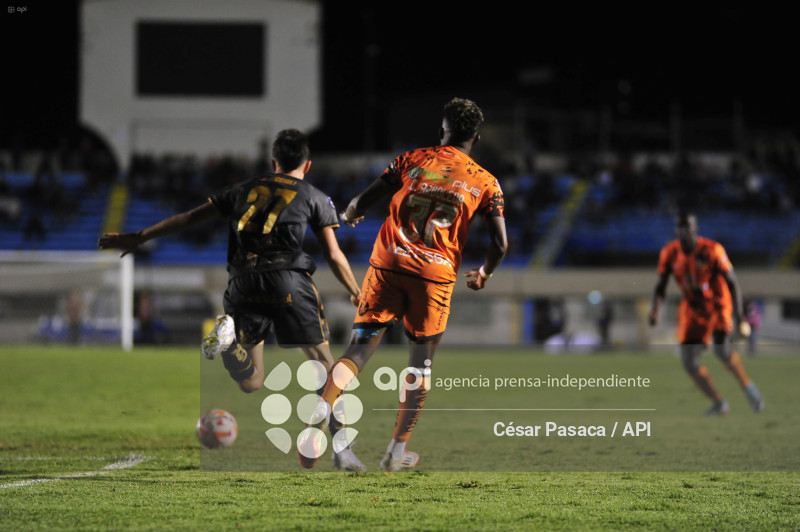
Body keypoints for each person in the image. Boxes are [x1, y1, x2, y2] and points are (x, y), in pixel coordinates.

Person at [98, 129, 366, 471]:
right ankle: (342, 451)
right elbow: (333, 253)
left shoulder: (242, 189)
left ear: (274, 162)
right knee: (326, 369)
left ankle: (227, 343)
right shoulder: (314, 195)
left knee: (251, 380)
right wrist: (355, 289)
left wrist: (140, 236)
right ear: (307, 164)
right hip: (288, 280)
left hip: (242, 283)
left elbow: (189, 218)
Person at [298, 97, 508, 472]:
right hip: (434, 278)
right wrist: (485, 272)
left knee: (357, 353)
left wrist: (350, 212)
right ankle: (395, 453)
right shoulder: (485, 182)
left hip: (388, 265)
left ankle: (320, 412)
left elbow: (365, 199)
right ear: (475, 137)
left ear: (442, 130)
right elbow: (501, 243)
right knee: (420, 365)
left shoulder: (413, 159)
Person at [648, 212, 764, 415]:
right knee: (689, 363)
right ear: (676, 230)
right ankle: (719, 403)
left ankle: (748, 387)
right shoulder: (670, 253)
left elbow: (732, 282)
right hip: (693, 309)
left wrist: (740, 318)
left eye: (688, 227)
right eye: (680, 227)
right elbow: (661, 284)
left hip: (718, 306)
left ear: (695, 228)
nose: (684, 231)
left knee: (722, 351)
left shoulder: (713, 250)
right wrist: (655, 308)